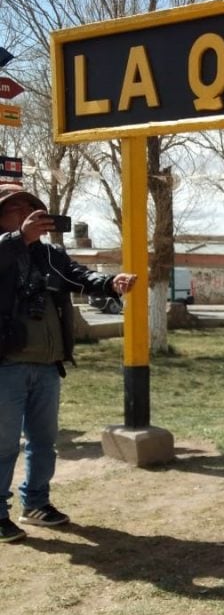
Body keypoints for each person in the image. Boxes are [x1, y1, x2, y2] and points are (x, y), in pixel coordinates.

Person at [0, 185, 137, 544]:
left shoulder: (49, 254)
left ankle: (36, 504)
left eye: (33, 209)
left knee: (44, 441)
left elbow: (79, 275)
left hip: (47, 365)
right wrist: (18, 238)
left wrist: (110, 283)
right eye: (18, 209)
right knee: (3, 445)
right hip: (6, 365)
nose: (29, 215)